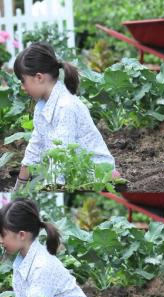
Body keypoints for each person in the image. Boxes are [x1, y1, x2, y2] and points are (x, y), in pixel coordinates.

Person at [12, 42, 117, 191]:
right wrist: (19, 186)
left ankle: (112, 179)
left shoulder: (65, 106)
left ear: (39, 77)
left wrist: (54, 188)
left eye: (23, 81)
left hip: (97, 174)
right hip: (75, 174)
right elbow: (36, 144)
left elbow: (63, 154)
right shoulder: (42, 105)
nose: (22, 87)